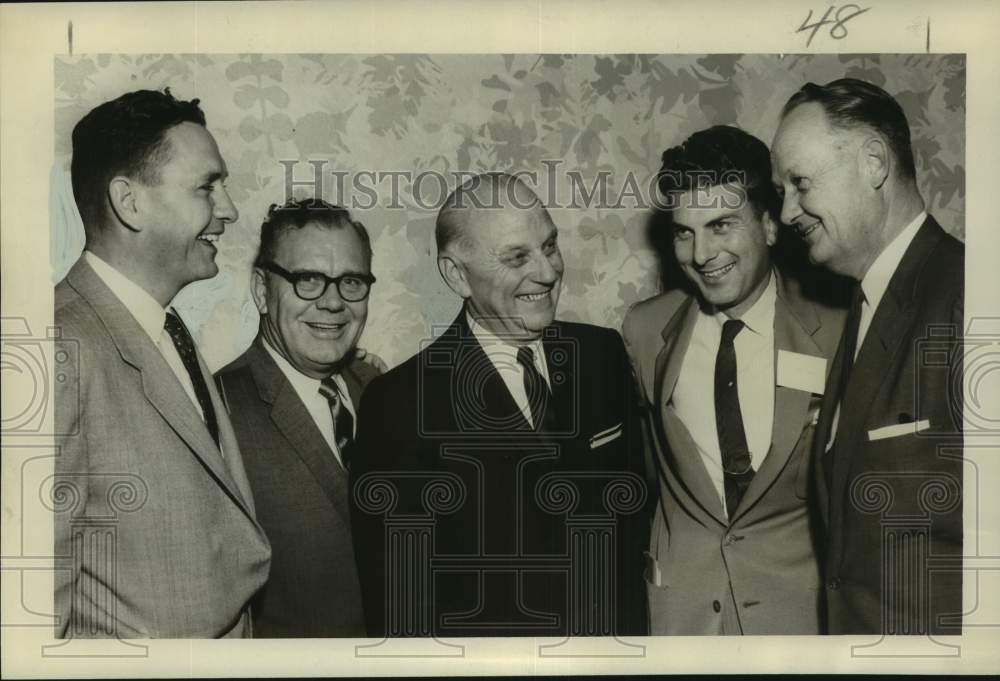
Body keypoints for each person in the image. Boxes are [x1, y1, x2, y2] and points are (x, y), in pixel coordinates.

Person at [350, 172, 648, 638]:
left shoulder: (603, 355)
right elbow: (400, 603)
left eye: (549, 247)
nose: (548, 273)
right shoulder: (399, 404)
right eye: (517, 257)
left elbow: (633, 530)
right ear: (456, 275)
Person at [54, 89, 270, 638]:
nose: (229, 210)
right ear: (130, 202)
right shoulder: (57, 348)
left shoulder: (167, 328)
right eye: (207, 188)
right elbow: (32, 620)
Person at [622, 125, 846, 634]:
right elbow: (647, 475)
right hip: (681, 617)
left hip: (799, 619)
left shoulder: (836, 328)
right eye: (685, 231)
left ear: (769, 226)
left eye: (721, 225)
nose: (701, 254)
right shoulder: (644, 330)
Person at [771, 78, 964, 635]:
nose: (786, 213)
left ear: (874, 162)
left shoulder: (968, 297)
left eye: (799, 183)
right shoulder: (864, 305)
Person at [214, 198, 379, 637]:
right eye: (308, 280)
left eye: (352, 282)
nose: (332, 303)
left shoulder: (384, 393)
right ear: (262, 291)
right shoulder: (215, 410)